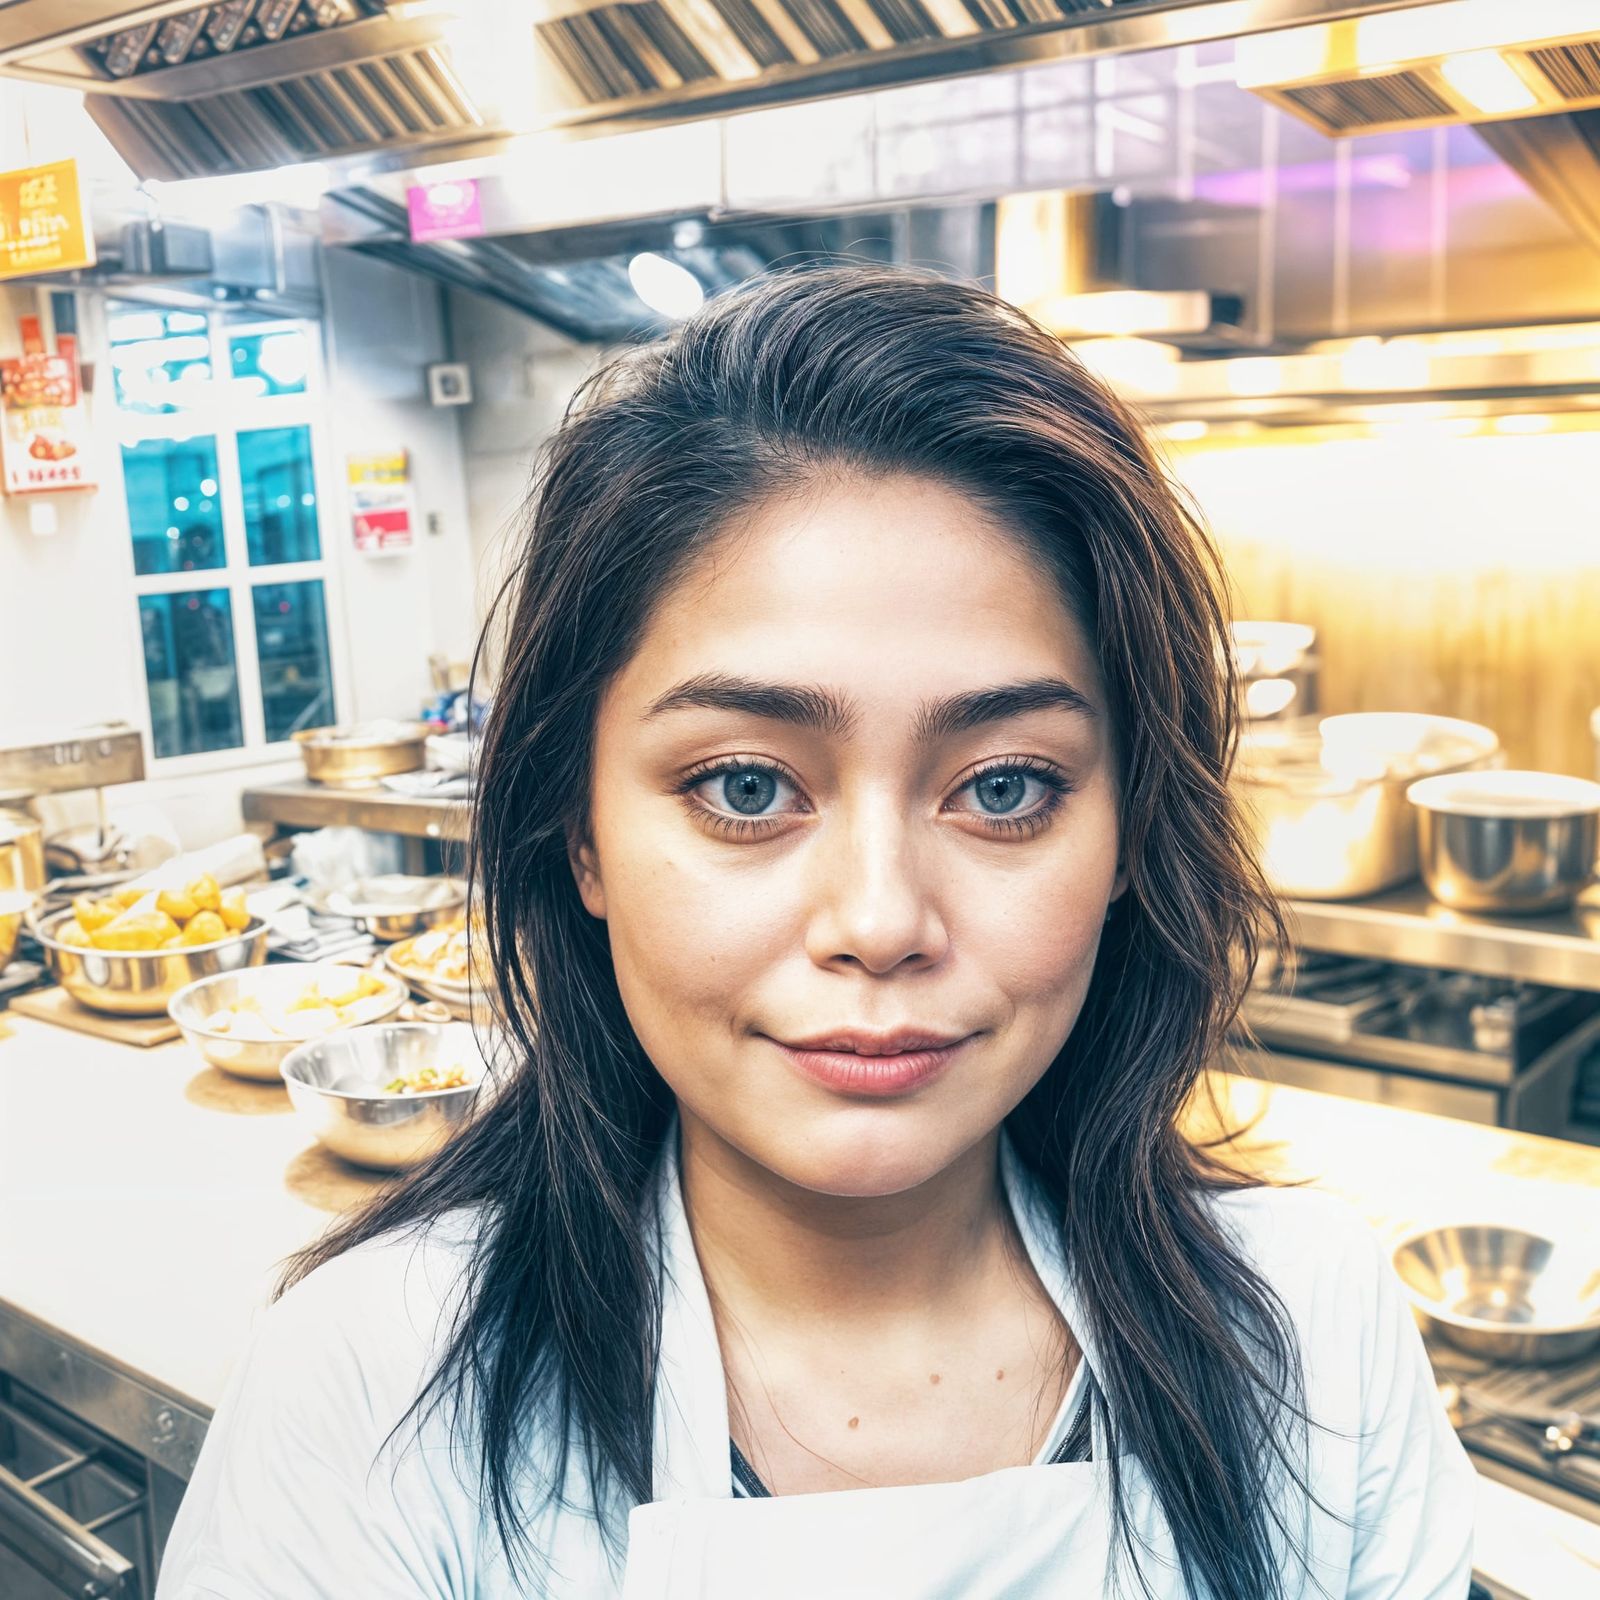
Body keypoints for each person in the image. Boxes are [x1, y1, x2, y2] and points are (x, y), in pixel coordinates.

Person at [154, 264, 1475, 1599]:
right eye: (744, 788)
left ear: (1130, 837)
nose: (880, 922)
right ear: (582, 836)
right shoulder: (372, 1391)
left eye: (1004, 789)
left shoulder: (1312, 1334)